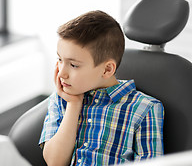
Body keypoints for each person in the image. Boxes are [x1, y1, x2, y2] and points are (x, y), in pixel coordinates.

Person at [39, 11, 164, 165]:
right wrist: (73, 105)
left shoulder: (144, 108)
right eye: (59, 59)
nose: (62, 73)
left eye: (73, 65)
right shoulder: (61, 99)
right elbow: (54, 162)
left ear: (107, 70)